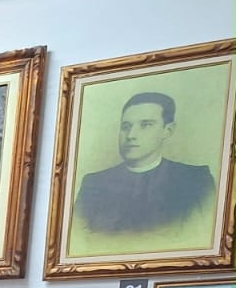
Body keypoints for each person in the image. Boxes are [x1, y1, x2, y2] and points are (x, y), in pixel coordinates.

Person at [75, 92, 217, 236]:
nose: (131, 135)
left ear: (167, 130)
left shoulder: (196, 180)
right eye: (126, 126)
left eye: (146, 125)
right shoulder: (94, 184)